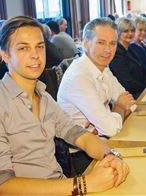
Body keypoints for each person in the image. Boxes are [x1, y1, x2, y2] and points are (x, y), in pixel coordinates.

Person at [0, 16, 129, 195]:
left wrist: (110, 155)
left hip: (61, 186)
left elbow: (80, 135)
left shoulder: (44, 97)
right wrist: (83, 185)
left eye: (40, 46)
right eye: (23, 48)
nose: (35, 55)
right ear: (5, 55)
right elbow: (1, 186)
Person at [57, 17, 136, 174]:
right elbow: (111, 128)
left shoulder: (102, 67)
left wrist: (114, 112)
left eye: (112, 43)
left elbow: (131, 104)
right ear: (86, 44)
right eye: (101, 43)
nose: (108, 50)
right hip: (83, 157)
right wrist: (119, 107)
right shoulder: (79, 76)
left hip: (107, 143)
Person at [110, 17, 146, 99]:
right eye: (125, 31)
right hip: (132, 96)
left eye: (132, 30)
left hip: (141, 91)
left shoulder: (130, 48)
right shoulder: (117, 54)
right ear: (118, 33)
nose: (130, 34)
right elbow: (127, 82)